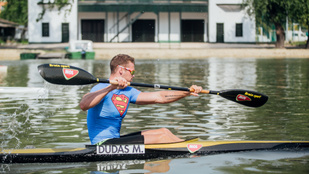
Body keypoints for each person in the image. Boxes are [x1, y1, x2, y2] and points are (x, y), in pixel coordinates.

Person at [80, 54, 203, 145]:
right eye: (132, 71)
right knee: (161, 138)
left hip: (115, 141)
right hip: (101, 144)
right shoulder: (101, 87)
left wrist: (187, 92)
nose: (134, 75)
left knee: (164, 132)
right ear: (121, 70)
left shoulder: (128, 91)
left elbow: (159, 97)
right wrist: (111, 87)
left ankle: (192, 146)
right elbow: (84, 105)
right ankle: (193, 149)